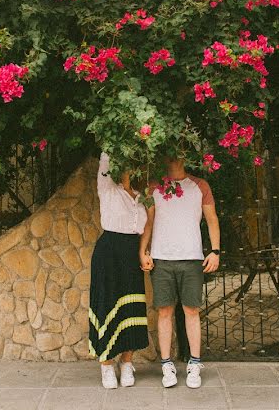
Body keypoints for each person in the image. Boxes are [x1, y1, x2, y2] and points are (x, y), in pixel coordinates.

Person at [139, 157, 220, 389]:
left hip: (192, 258)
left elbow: (212, 219)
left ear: (185, 155)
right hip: (162, 259)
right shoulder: (154, 187)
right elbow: (149, 221)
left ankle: (195, 364)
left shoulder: (200, 186)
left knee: (191, 310)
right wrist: (142, 250)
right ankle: (167, 365)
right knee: (164, 312)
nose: (174, 157)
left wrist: (215, 251)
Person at [88, 152, 149, 389]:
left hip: (131, 254)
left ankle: (126, 363)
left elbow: (145, 229)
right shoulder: (108, 188)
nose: (132, 169)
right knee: (106, 305)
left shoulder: (142, 197)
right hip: (109, 252)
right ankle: (106, 365)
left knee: (131, 307)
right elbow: (105, 155)